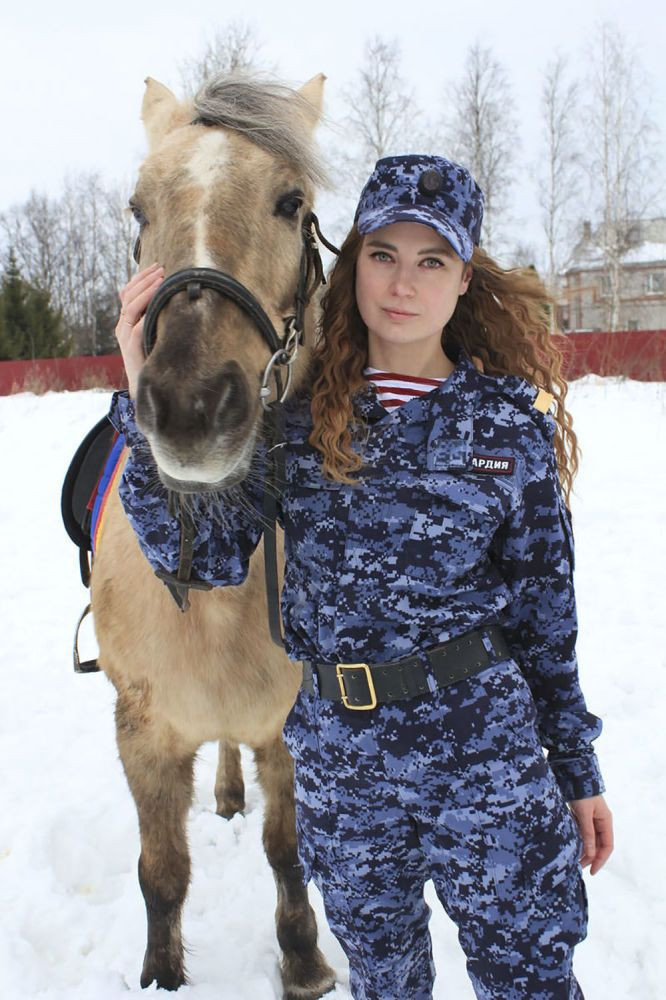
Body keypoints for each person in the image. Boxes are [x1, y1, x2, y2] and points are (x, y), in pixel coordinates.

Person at [112, 154, 614, 1000]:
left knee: (529, 980)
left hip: (485, 761)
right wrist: (142, 397)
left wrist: (575, 766)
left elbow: (546, 619)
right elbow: (199, 559)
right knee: (382, 984)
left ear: (464, 279)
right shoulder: (293, 427)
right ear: (352, 266)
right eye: (383, 255)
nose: (403, 284)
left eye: (432, 261)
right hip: (344, 773)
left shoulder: (507, 431)